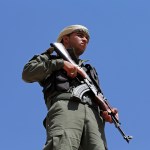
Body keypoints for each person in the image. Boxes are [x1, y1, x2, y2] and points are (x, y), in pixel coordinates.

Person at [22, 25, 118, 150]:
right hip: (67, 107)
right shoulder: (51, 58)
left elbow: (97, 94)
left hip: (93, 116)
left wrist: (107, 109)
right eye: (80, 35)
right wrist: (60, 64)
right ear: (65, 39)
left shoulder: (89, 70)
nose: (84, 40)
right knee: (63, 145)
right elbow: (27, 73)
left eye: (87, 39)